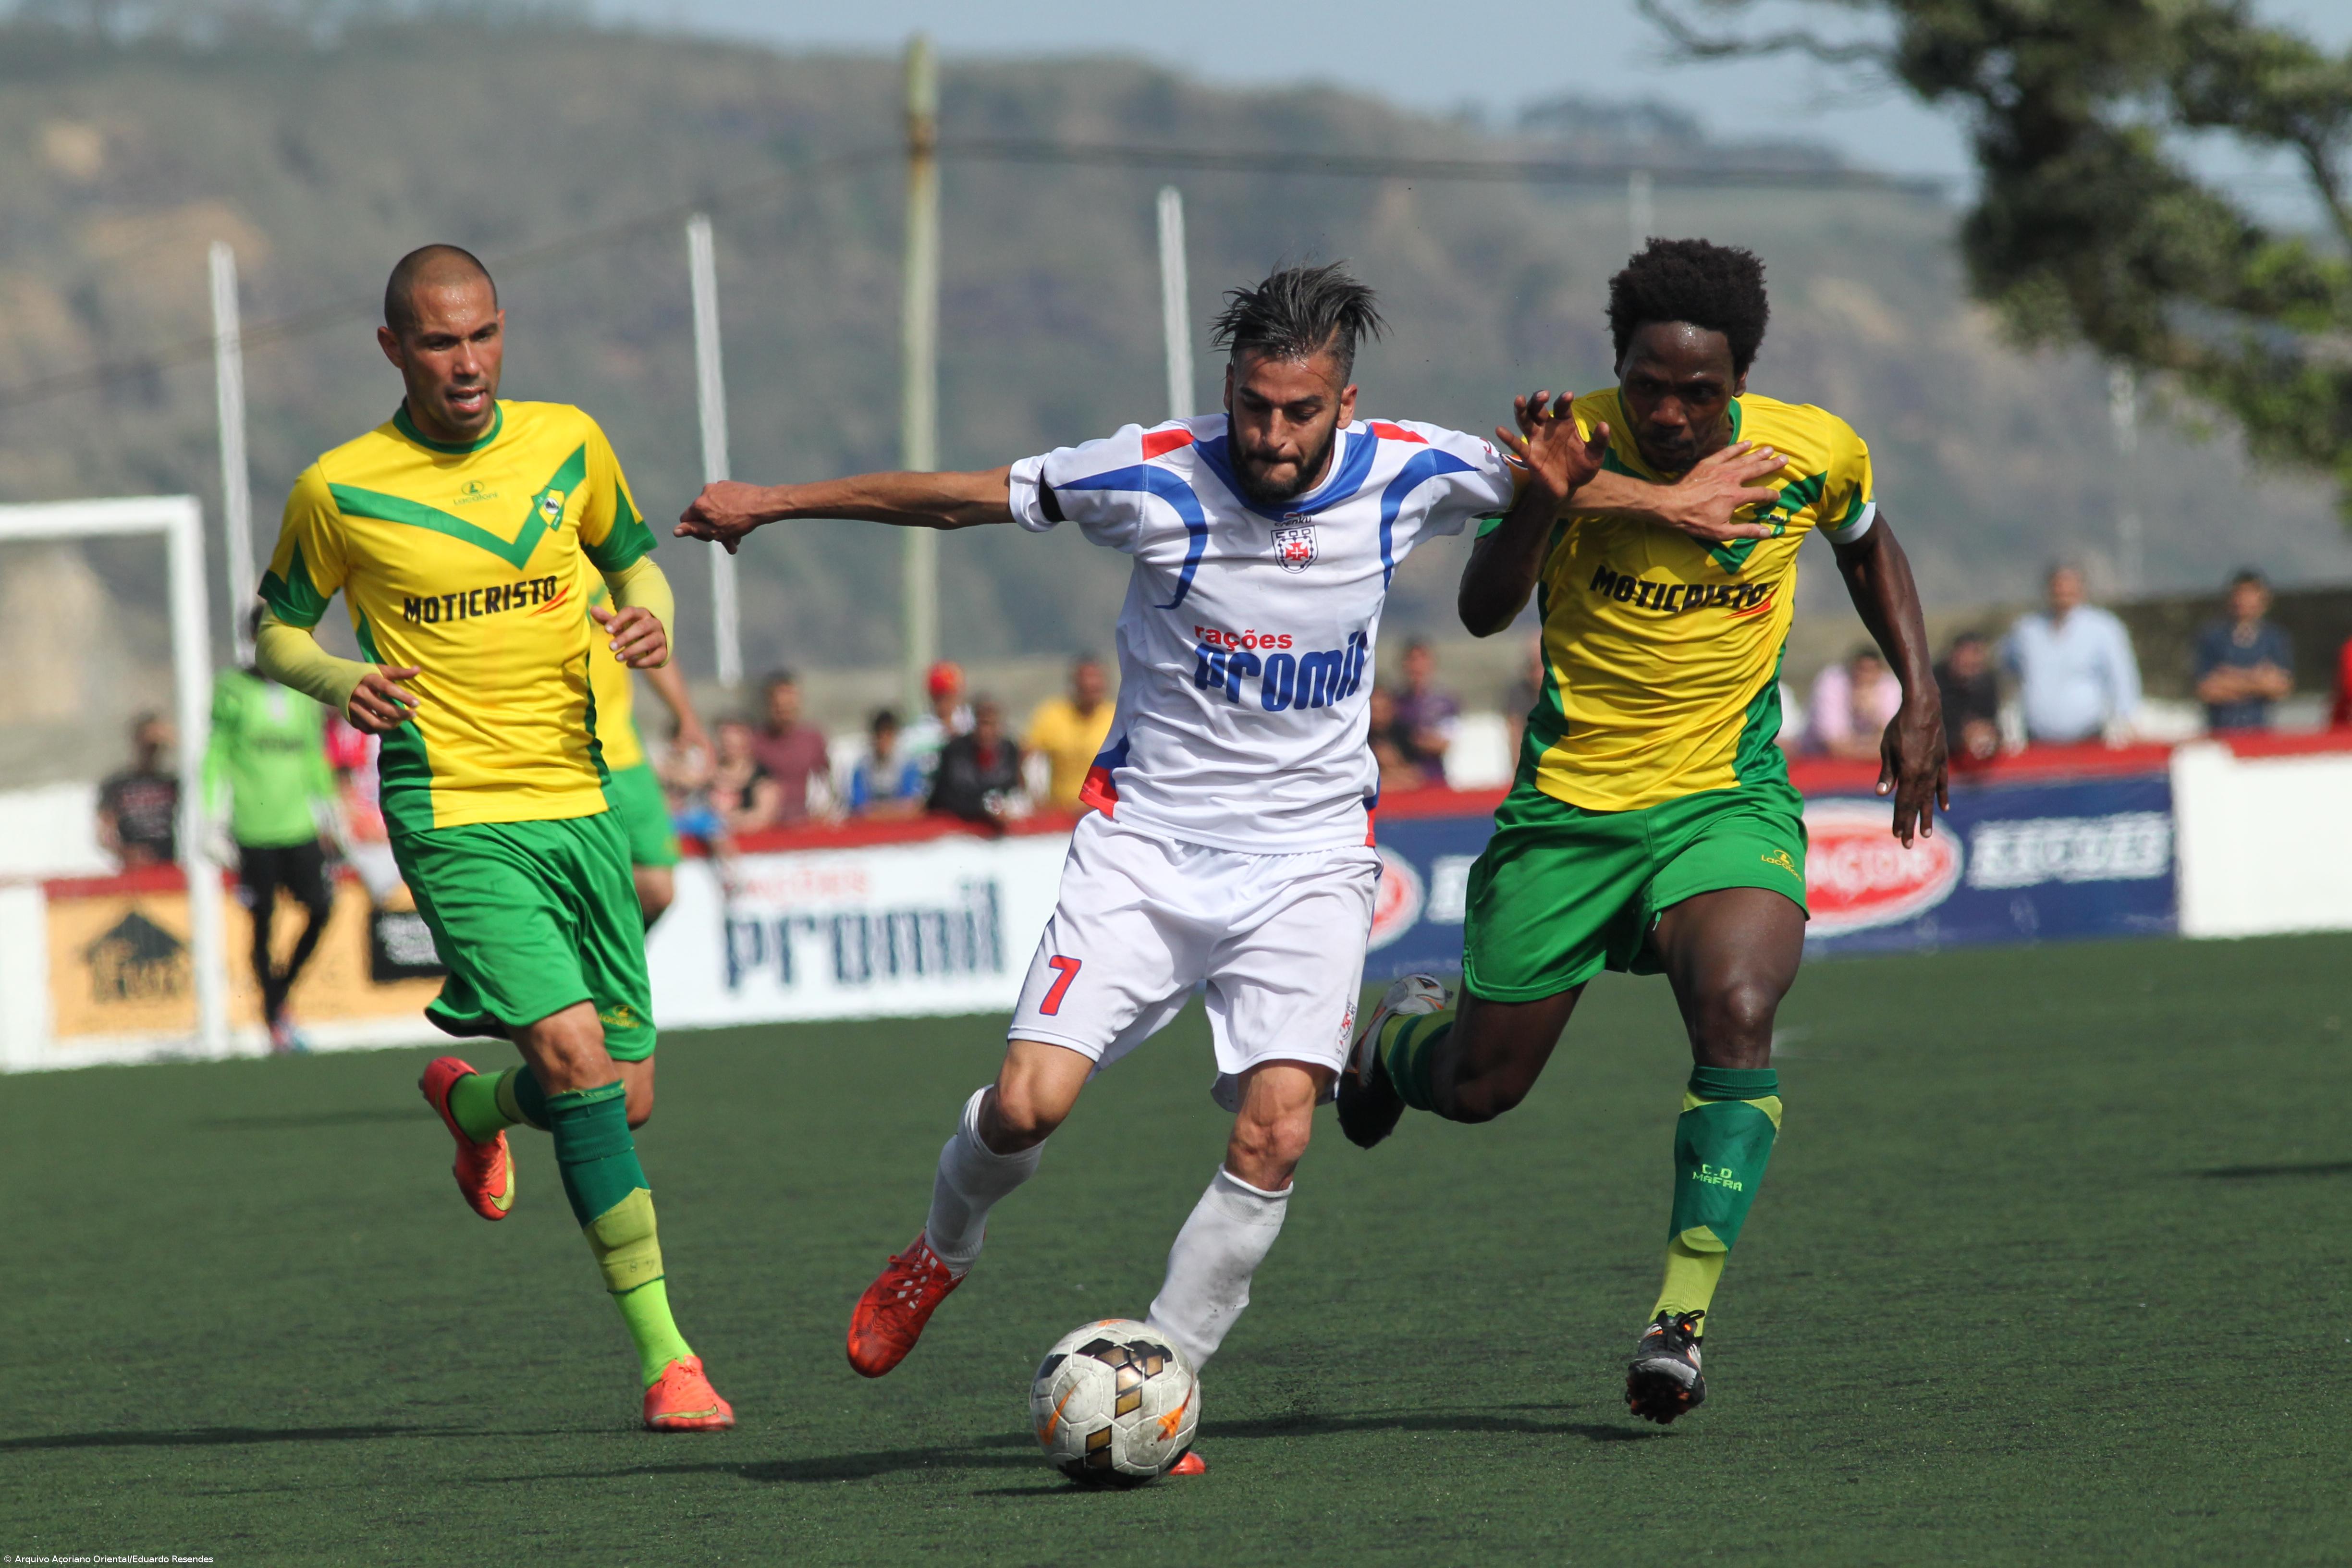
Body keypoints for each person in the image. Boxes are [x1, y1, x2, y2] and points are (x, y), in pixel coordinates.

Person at [678, 262, 1719, 1470]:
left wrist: (1678, 504)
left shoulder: (1409, 466)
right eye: (1251, 404)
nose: (1270, 436)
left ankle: (1159, 1379)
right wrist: (776, 499)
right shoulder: (1153, 470)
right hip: (1145, 853)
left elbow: (1561, 487)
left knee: (1278, 1131)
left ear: (1346, 400)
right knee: (1026, 1107)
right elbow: (961, 498)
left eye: (1298, 410)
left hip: (1309, 860)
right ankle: (940, 1252)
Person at [1336, 238, 1945, 1426]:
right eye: (1647, 383)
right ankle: (1394, 1046)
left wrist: (1919, 692)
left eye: (1697, 391)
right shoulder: (1572, 443)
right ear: (1618, 364)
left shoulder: (1810, 450)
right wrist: (1546, 495)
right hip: (1568, 817)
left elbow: (1866, 539)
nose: (1668, 412)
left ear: (1739, 378)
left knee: (1740, 1009)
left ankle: (1679, 1320)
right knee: (1480, 1088)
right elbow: (1478, 609)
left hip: (1723, 802)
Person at [251, 244, 730, 1431]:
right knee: (577, 1061)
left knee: (621, 1095)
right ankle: (670, 1361)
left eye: (480, 337)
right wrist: (334, 678)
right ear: (392, 349)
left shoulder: (570, 439)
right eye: (436, 342)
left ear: (501, 331)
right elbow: (275, 633)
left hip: (581, 799)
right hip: (453, 811)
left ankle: (475, 1110)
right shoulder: (338, 487)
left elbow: (637, 565)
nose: (463, 364)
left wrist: (648, 625)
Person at [207, 610, 339, 1053]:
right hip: (254, 827)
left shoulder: (304, 691)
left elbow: (315, 757)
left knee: (322, 908)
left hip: (299, 825)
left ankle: (278, 995)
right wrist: (210, 819)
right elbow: (215, 756)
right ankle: (274, 1019)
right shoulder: (232, 690)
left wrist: (331, 815)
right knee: (262, 920)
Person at [586, 580, 711, 925]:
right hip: (557, 755)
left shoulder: (604, 554)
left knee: (658, 887)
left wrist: (686, 717)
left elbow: (649, 638)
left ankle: (593, 968)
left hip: (621, 749)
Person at [2003, 563, 2141, 744]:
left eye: (2069, 587)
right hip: (2037, 739)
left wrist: (2127, 718)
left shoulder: (2103, 628)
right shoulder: (2027, 630)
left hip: (2087, 737)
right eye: (2058, 587)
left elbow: (2122, 676)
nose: (2063, 593)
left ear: (2081, 589)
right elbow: (2007, 666)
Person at [2193, 569, 2292, 733]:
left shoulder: (2274, 638)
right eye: (2240, 594)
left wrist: (2231, 678)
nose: (2244, 601)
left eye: (2251, 594)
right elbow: (2206, 689)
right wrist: (2256, 679)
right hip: (2221, 733)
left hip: (2261, 733)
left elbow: (2281, 687)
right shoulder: (2212, 638)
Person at [1023, 655, 1115, 813]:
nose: (1090, 685)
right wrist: (1035, 801)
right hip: (1059, 813)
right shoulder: (1051, 714)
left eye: (1095, 679)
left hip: (1104, 811)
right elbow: (1028, 760)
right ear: (1074, 683)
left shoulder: (1116, 717)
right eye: (1085, 680)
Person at [97, 712, 181, 870]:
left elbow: (202, 772)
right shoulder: (118, 784)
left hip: (169, 866)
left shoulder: (171, 783)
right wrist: (126, 853)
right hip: (133, 870)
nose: (151, 750)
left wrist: (175, 739)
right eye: (146, 744)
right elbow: (104, 833)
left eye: (155, 744)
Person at [929, 697, 1027, 828]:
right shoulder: (955, 752)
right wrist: (983, 809)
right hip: (956, 832)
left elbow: (1014, 790)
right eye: (982, 724)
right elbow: (943, 798)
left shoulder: (1009, 750)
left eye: (992, 725)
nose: (985, 732)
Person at [749, 672, 829, 825]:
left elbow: (825, 781)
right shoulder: (756, 742)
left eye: (789, 706)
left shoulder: (813, 739)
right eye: (779, 707)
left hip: (809, 822)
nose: (784, 712)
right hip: (770, 825)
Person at [1803, 644, 1903, 760]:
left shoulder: (1891, 685)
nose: (1865, 677)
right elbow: (1833, 746)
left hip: (1866, 763)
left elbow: (1896, 742)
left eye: (1871, 671)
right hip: (1820, 761)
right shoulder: (1832, 682)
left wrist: (1874, 715)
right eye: (1862, 670)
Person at [1391, 638, 1460, 781]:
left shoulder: (1444, 703)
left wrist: (1411, 738)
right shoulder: (1394, 702)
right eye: (1412, 660)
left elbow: (1443, 743)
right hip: (1400, 781)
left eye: (1422, 660)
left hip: (1434, 780)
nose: (1417, 667)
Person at [900, 660, 974, 785]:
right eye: (940, 697)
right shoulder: (918, 733)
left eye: (950, 695)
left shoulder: (971, 723)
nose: (946, 703)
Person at [1935, 631, 2003, 765]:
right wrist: (1961, 735)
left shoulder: (1986, 683)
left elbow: (1992, 721)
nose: (1974, 661)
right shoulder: (1934, 683)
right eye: (1972, 653)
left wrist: (1989, 734)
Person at [848, 708, 927, 819]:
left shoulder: (908, 765)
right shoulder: (862, 768)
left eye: (888, 734)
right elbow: (859, 810)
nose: (884, 740)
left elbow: (914, 806)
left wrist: (880, 810)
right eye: (880, 734)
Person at [1367, 686, 1437, 793]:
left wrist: (1393, 766)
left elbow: (1418, 777)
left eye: (1384, 710)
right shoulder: (1360, 737)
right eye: (1375, 710)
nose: (1379, 717)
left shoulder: (1403, 734)